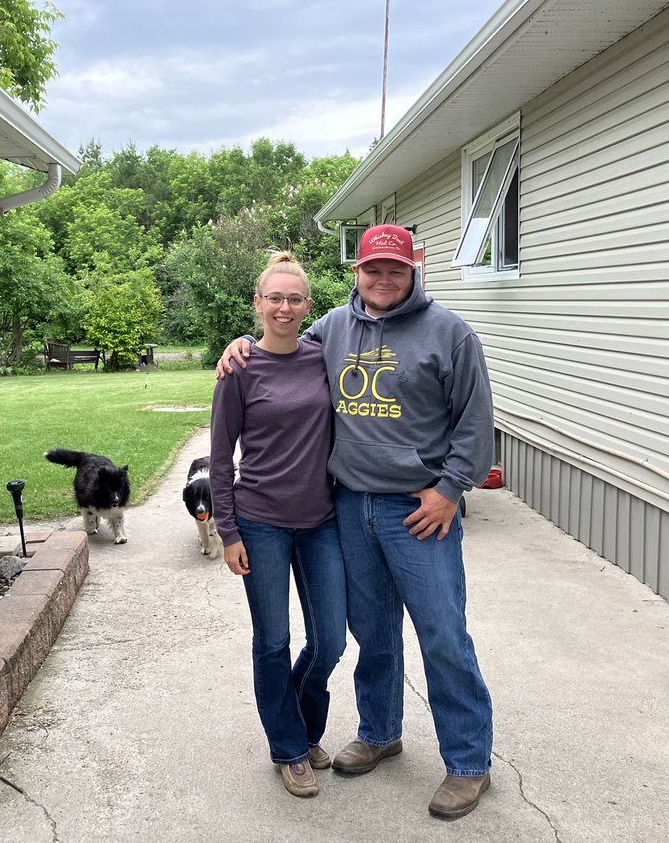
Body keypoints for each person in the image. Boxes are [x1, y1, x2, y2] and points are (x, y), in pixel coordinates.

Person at [219, 224, 495, 820]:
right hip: (347, 504)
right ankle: (379, 731)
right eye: (374, 269)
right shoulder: (333, 329)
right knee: (373, 633)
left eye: (396, 269)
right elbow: (279, 340)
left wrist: (451, 491)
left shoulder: (451, 333)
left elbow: (476, 424)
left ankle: (469, 763)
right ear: (357, 271)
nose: (384, 279)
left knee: (443, 634)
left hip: (420, 511)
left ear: (413, 269)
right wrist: (238, 342)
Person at [210, 251, 347, 799]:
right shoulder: (239, 369)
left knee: (331, 640)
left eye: (294, 299)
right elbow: (220, 457)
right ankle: (291, 748)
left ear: (307, 306)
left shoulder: (323, 357)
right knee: (272, 640)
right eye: (275, 298)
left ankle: (294, 722)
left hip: (321, 521)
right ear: (258, 304)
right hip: (260, 521)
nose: (284, 307)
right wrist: (228, 532)